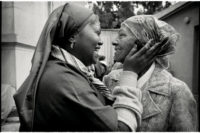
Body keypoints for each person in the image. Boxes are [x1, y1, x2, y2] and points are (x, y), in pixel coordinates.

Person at [13, 3, 164, 131]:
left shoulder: (64, 69)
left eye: (122, 36)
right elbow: (120, 128)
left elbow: (95, 74)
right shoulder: (65, 81)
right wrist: (130, 73)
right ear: (72, 36)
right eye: (97, 32)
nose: (102, 41)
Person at [103, 15, 197, 131]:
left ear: (144, 43)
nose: (114, 42)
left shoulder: (176, 91)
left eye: (122, 35)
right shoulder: (110, 79)